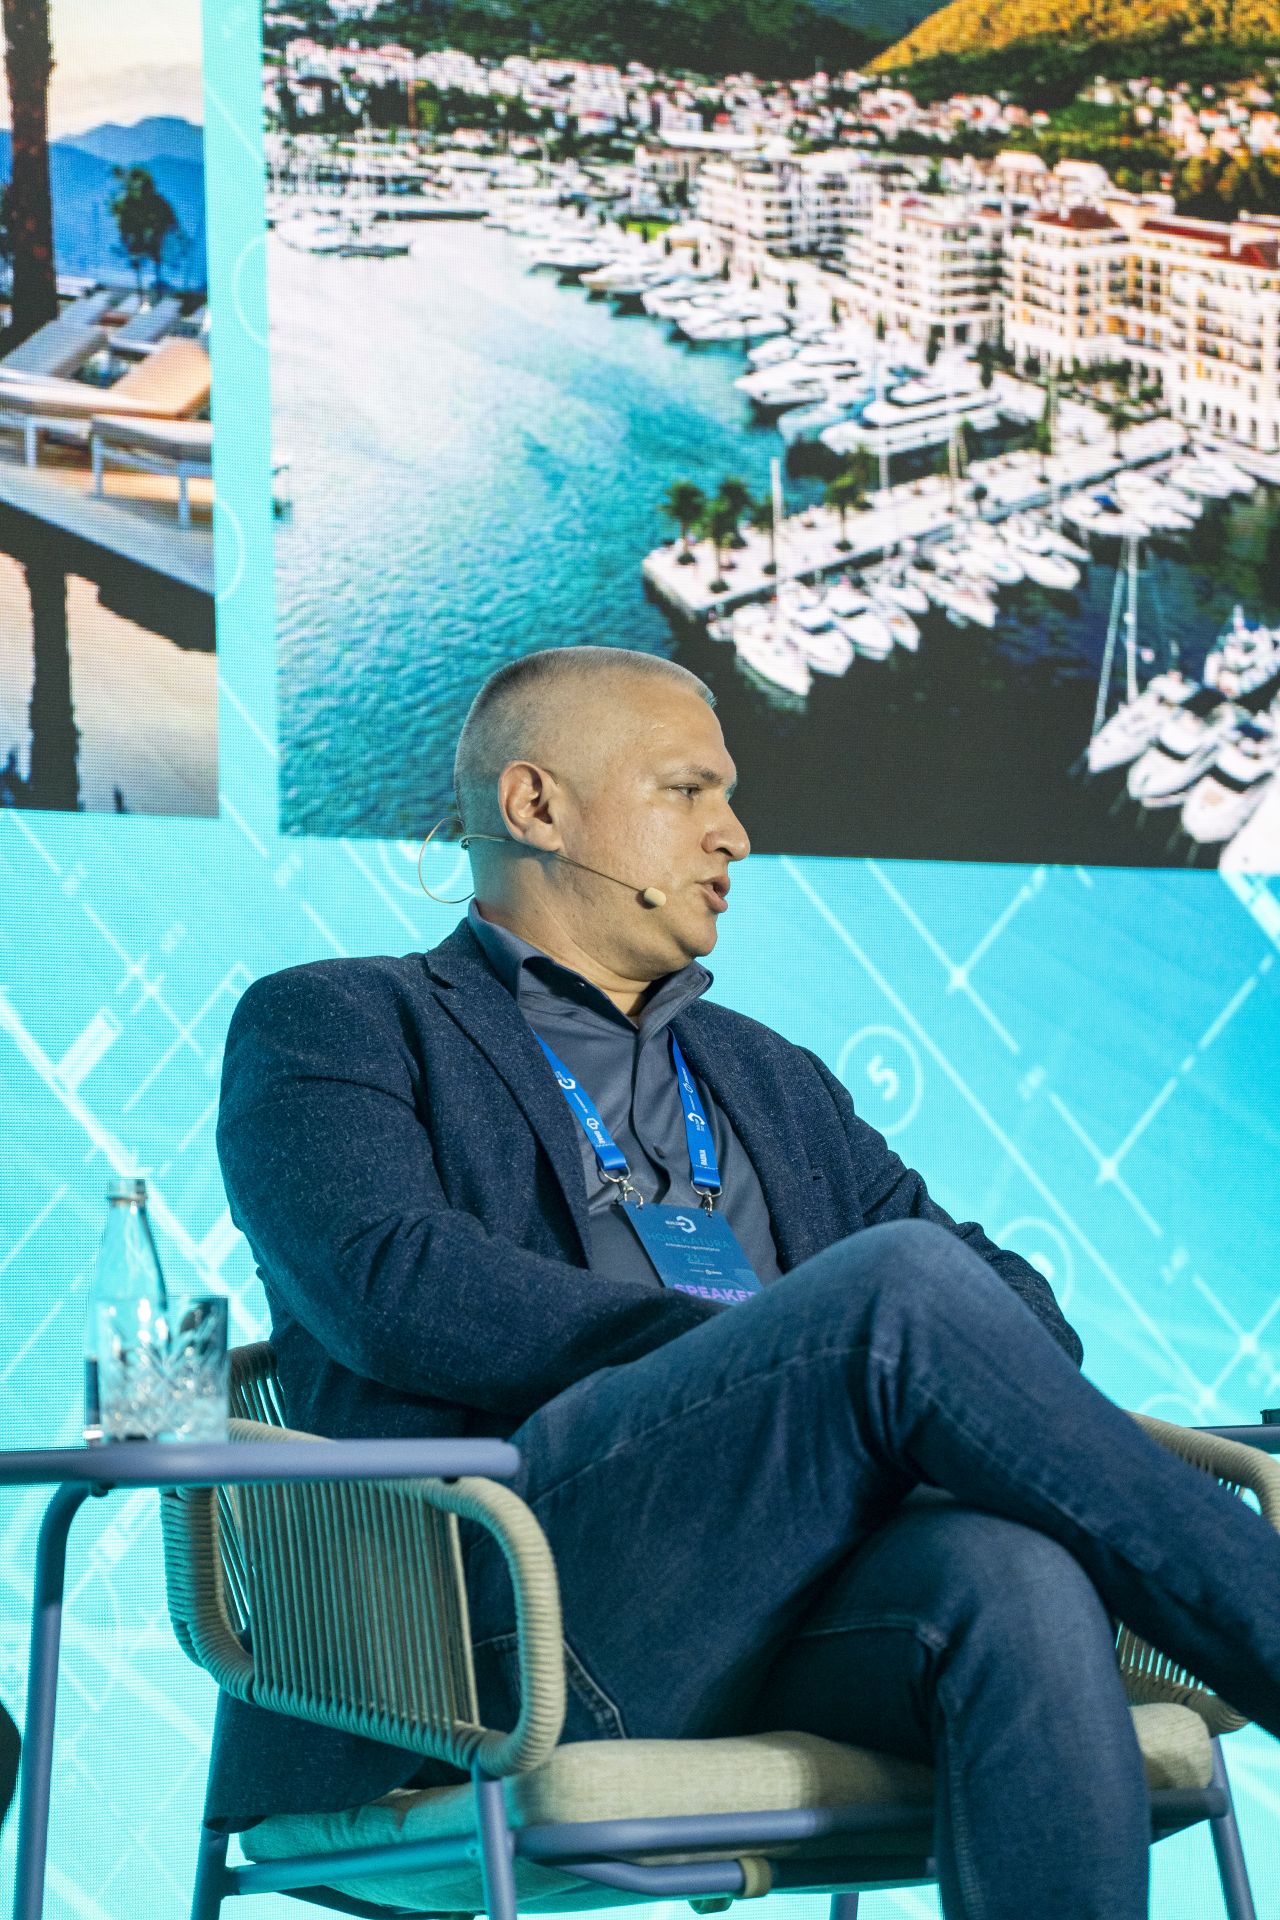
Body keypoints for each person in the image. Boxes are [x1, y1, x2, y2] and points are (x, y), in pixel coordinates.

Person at [212, 646, 1280, 1919]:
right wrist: (774, 1357)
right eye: (687, 791)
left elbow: (1010, 1311)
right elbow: (390, 1282)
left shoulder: (767, 1075)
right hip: (493, 1621)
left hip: (789, 1604)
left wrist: (824, 1371)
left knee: (1011, 1573)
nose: (735, 834)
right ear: (536, 805)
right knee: (890, 1296)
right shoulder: (335, 1020)